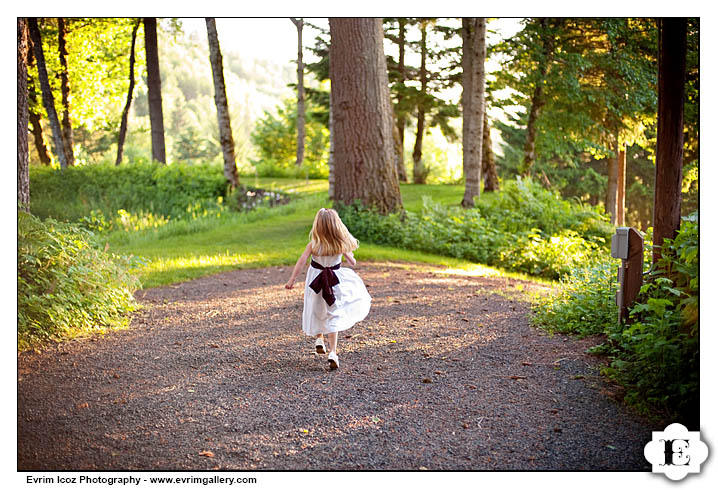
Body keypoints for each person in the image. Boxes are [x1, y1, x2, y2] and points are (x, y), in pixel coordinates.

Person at [285, 208, 371, 369]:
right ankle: (333, 352)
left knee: (317, 309)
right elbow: (353, 263)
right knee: (333, 313)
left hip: (315, 282)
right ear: (336, 226)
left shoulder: (313, 245)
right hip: (334, 283)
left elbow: (301, 262)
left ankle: (319, 338)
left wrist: (292, 279)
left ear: (317, 226)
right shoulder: (340, 244)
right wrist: (349, 253)